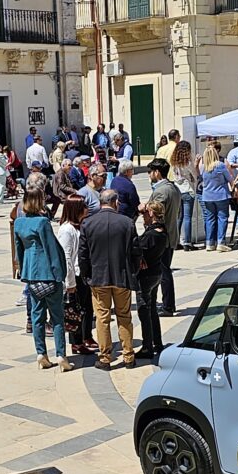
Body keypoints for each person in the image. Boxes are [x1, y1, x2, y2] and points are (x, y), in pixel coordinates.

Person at [79, 189, 140, 370]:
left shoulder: (88, 223)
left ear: (100, 203)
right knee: (124, 316)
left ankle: (105, 357)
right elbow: (136, 251)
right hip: (121, 277)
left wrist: (86, 275)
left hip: (98, 278)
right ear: (116, 202)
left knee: (102, 318)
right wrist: (132, 271)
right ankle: (128, 356)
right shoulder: (127, 223)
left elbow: (83, 255)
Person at [13, 188, 73, 372]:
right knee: (57, 317)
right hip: (48, 274)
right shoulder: (43, 222)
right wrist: (60, 275)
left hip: (32, 275)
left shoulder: (18, 223)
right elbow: (51, 250)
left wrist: (23, 271)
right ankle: (61, 355)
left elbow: (19, 250)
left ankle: (41, 353)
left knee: (37, 316)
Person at [58, 195, 96, 356]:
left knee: (87, 308)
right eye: (84, 206)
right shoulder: (67, 230)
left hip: (83, 274)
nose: (87, 209)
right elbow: (66, 257)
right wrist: (70, 282)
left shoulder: (80, 226)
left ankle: (86, 336)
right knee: (76, 310)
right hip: (75, 276)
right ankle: (76, 342)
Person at [144, 158, 181, 316]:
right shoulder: (173, 187)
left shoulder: (161, 191)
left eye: (150, 172)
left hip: (162, 237)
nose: (149, 175)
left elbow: (157, 215)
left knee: (164, 272)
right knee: (165, 270)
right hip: (171, 234)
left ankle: (168, 305)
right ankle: (168, 304)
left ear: (156, 172)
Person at [135, 201, 169, 359]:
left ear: (151, 214)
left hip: (146, 276)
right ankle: (157, 342)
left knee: (144, 310)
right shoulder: (163, 231)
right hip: (157, 273)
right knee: (153, 309)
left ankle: (147, 346)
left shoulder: (150, 235)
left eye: (145, 213)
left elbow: (137, 248)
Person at [199, 141, 233, 251]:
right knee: (222, 218)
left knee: (209, 219)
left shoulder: (203, 167)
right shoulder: (220, 165)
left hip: (207, 196)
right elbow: (230, 179)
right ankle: (221, 242)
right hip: (221, 195)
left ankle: (209, 243)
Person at [170, 141, 200, 250]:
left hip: (178, 189)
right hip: (188, 190)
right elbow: (195, 174)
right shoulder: (187, 162)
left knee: (179, 217)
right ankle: (187, 242)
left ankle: (176, 241)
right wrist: (196, 163)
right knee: (187, 217)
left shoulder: (174, 162)